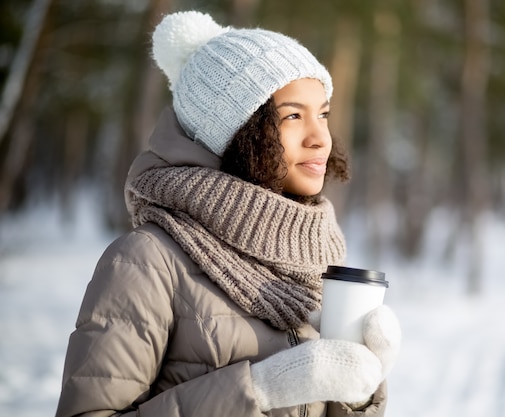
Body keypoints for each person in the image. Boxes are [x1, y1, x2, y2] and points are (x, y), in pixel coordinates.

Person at [56, 10, 401, 417]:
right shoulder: (146, 262)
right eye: (292, 116)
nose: (320, 137)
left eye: (322, 113)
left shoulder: (313, 254)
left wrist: (357, 396)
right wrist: (259, 391)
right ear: (235, 132)